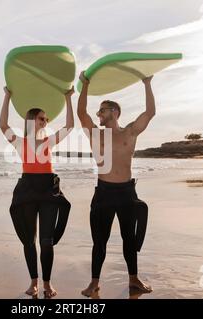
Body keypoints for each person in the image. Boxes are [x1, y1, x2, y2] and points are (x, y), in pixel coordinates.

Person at [77, 71, 154, 297]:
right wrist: (85, 85)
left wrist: (147, 84)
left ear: (114, 112)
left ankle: (134, 279)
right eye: (98, 110)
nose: (98, 113)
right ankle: (94, 283)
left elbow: (150, 113)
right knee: (99, 241)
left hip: (126, 192)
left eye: (102, 110)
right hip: (104, 193)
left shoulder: (129, 132)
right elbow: (81, 113)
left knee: (128, 238)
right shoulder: (95, 134)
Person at [0, 86, 75, 298]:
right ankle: (34, 282)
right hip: (27, 191)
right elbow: (3, 125)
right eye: (42, 118)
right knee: (29, 241)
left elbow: (69, 125)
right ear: (32, 120)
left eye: (47, 119)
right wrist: (7, 96)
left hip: (48, 191)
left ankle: (47, 284)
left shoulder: (48, 142)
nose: (46, 122)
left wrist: (68, 98)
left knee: (46, 241)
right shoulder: (20, 143)